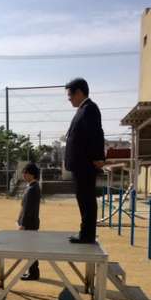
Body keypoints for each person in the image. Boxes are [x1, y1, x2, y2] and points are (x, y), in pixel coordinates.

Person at [64, 77, 105, 244]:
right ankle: (85, 232)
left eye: (70, 95)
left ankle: (87, 234)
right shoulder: (83, 109)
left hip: (85, 164)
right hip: (80, 164)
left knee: (86, 198)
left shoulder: (90, 109)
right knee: (83, 198)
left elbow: (96, 134)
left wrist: (98, 157)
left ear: (79, 93)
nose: (69, 99)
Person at [18, 162, 41, 281]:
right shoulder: (32, 186)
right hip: (31, 223)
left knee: (31, 249)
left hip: (30, 224)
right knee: (31, 248)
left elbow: (28, 209)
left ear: (32, 174)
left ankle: (33, 273)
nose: (24, 175)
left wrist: (23, 224)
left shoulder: (32, 188)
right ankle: (33, 271)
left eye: (26, 173)